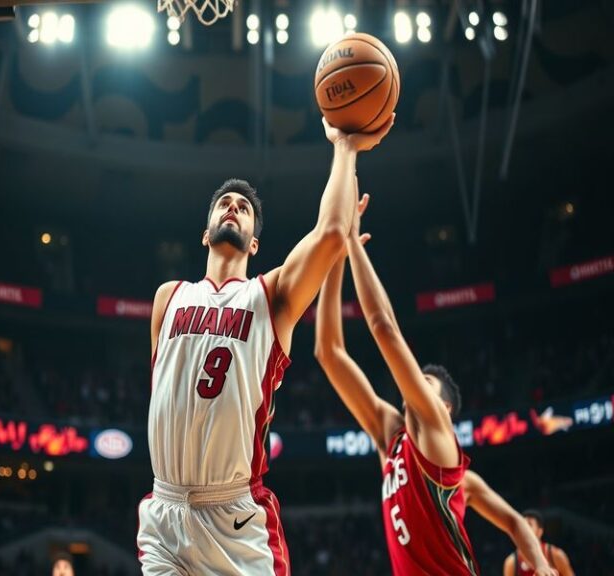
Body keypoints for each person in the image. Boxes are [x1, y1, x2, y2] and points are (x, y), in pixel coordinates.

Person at [136, 115, 394, 576]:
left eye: (243, 207)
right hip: (165, 510)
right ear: (205, 231)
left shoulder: (270, 297)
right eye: (224, 204)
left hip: (235, 520)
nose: (232, 207)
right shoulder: (166, 297)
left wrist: (345, 147)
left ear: (255, 243)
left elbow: (331, 233)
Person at [314, 193, 558, 576]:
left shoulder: (437, 437)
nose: (414, 383)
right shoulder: (390, 438)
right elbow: (328, 352)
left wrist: (352, 240)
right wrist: (333, 259)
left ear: (444, 409)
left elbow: (384, 328)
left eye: (426, 382)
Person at [503, 510, 575, 576]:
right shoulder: (511, 562)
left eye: (529, 525)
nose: (524, 530)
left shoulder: (555, 554)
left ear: (539, 532)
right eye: (523, 527)